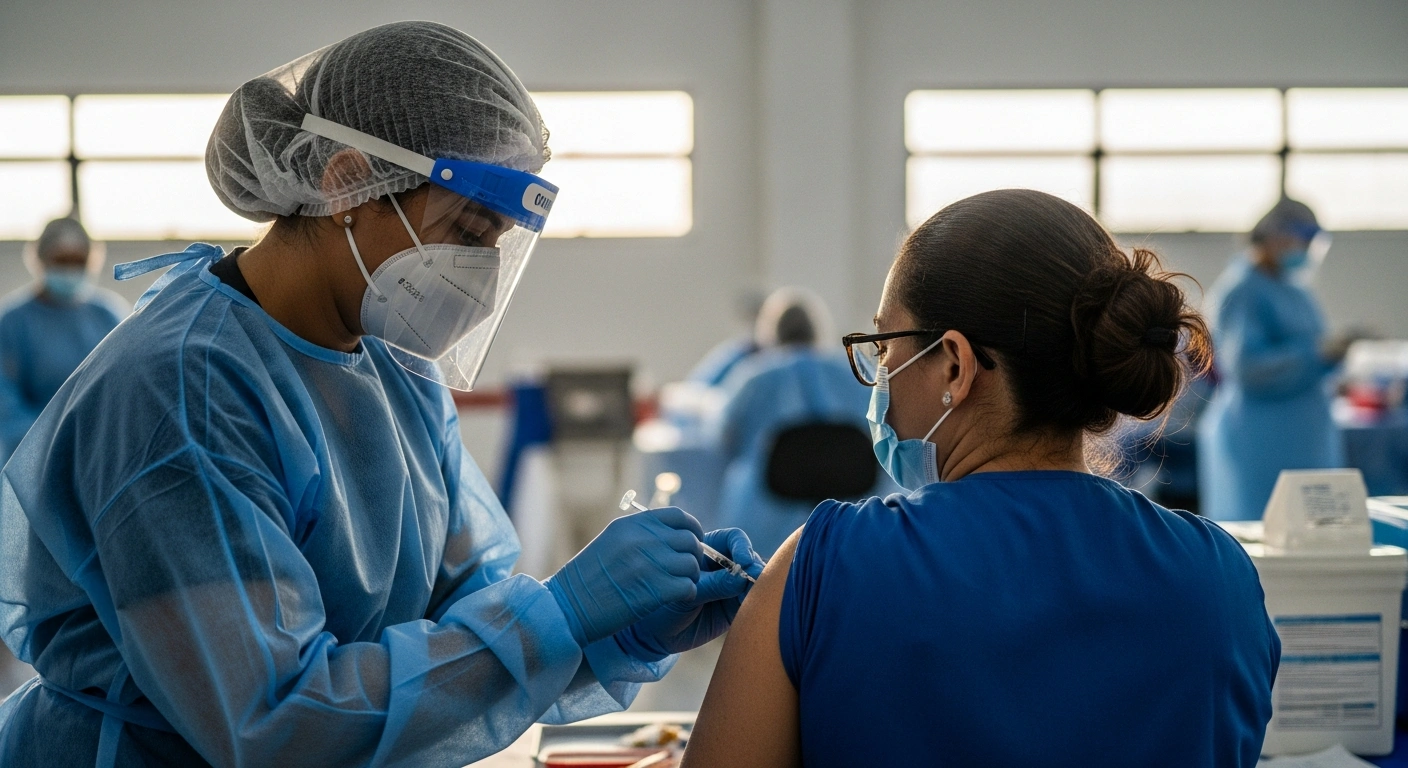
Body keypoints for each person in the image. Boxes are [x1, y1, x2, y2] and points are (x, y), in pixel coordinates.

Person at [0, 22, 761, 768]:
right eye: (466, 229)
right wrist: (560, 613)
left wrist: (613, 629)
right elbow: (274, 724)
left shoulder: (394, 365)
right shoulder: (183, 394)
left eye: (498, 242)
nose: (480, 271)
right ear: (348, 185)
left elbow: (464, 628)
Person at [682, 190, 1279, 767]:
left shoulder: (820, 568)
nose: (880, 382)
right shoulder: (1222, 580)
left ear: (956, 367)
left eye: (885, 350)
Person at [712, 288, 891, 558]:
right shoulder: (854, 372)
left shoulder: (753, 376)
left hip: (771, 523)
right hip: (854, 515)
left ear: (770, 332)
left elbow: (725, 436)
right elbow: (881, 425)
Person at [1198, 197, 1343, 521]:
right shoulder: (1243, 291)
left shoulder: (1296, 290)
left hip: (1305, 434)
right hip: (1260, 436)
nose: (1304, 248)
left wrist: (1331, 354)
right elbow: (1246, 368)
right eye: (1300, 238)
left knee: (1314, 534)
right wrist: (1316, 354)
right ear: (1274, 237)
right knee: (1262, 534)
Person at [0, 217, 126, 462]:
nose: (70, 270)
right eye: (62, 261)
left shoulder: (107, 316)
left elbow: (123, 388)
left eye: (78, 262)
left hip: (98, 456)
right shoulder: (14, 323)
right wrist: (53, 440)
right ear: (41, 260)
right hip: (30, 459)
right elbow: (5, 403)